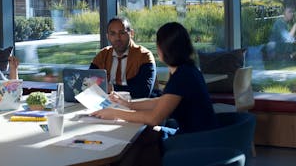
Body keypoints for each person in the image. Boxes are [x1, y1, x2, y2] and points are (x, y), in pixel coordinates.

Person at [91, 22, 218, 166]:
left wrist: (115, 113)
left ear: (162, 49)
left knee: (139, 141)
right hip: (202, 135)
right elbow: (162, 101)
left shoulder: (182, 76)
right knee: (144, 136)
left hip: (196, 141)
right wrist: (127, 104)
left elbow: (154, 118)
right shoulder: (188, 70)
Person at [89, 17, 157, 99]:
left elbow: (143, 91)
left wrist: (111, 89)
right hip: (104, 103)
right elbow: (89, 83)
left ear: (131, 33)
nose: (117, 38)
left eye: (122, 33)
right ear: (108, 36)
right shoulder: (102, 56)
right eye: (113, 34)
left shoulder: (144, 56)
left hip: (135, 105)